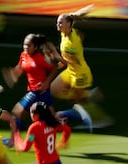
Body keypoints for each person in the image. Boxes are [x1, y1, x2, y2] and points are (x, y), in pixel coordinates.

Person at [50, 4, 113, 132]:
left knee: (79, 103)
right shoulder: (69, 32)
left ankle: (101, 120)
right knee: (54, 90)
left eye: (60, 23)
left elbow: (66, 62)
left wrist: (52, 62)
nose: (58, 25)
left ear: (68, 24)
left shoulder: (70, 44)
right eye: (57, 23)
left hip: (80, 74)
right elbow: (80, 33)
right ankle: (89, 94)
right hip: (71, 70)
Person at [1, 33, 62, 135]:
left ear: (35, 47)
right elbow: (20, 67)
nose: (26, 47)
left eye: (29, 45)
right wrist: (13, 74)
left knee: (18, 111)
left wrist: (46, 82)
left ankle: (16, 139)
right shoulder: (24, 55)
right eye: (25, 45)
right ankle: (64, 125)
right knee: (49, 118)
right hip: (38, 91)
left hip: (38, 90)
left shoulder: (40, 58)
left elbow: (54, 68)